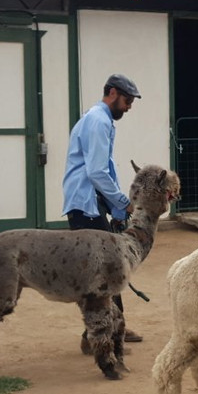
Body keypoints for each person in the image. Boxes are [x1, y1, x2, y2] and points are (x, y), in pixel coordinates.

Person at [62, 73, 144, 345]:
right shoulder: (98, 121)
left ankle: (110, 327)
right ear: (112, 93)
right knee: (105, 271)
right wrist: (123, 203)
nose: (129, 107)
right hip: (86, 205)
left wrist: (115, 207)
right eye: (127, 100)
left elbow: (99, 170)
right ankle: (101, 332)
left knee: (107, 269)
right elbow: (97, 171)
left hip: (88, 203)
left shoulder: (101, 120)